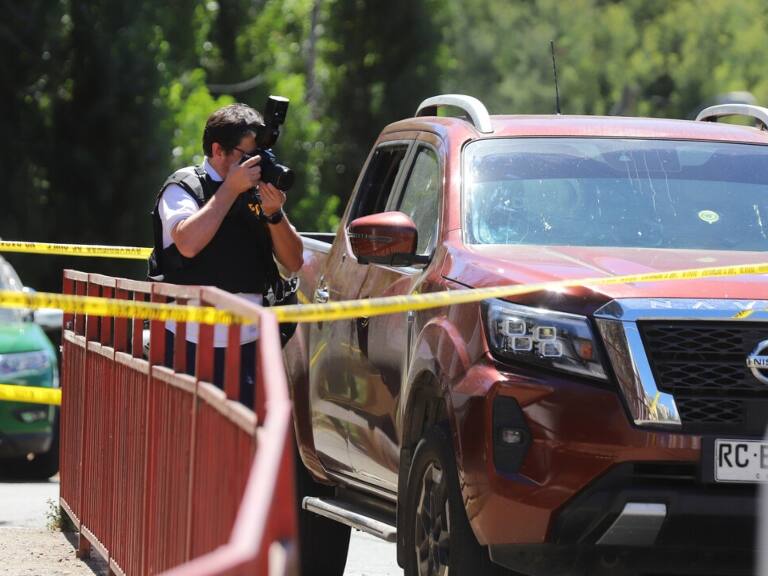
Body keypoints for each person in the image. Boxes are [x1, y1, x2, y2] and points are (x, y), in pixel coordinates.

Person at [150, 103, 303, 406]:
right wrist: (230, 190)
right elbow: (188, 243)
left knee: (242, 448)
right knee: (186, 444)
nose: (256, 165)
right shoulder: (185, 187)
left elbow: (294, 261)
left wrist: (274, 214)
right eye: (247, 157)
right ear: (218, 150)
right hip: (186, 344)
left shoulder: (256, 191)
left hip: (247, 344)